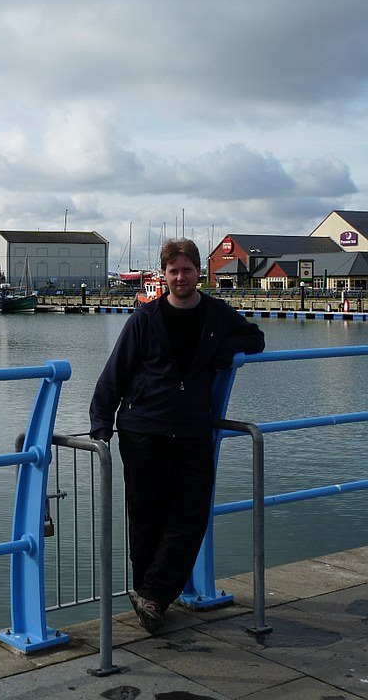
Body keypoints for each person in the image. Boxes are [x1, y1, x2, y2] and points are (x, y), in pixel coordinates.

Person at [89, 238, 265, 633]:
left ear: (198, 272)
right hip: (142, 430)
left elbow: (256, 338)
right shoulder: (145, 318)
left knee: (192, 514)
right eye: (173, 271)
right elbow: (114, 373)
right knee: (146, 518)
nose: (181, 277)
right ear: (163, 274)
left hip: (190, 431)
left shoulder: (217, 315)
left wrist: (227, 350)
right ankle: (149, 598)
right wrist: (101, 425)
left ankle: (151, 595)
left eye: (187, 270)